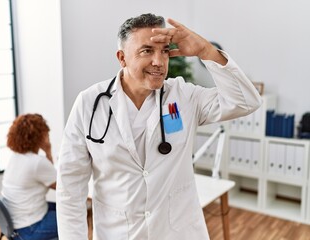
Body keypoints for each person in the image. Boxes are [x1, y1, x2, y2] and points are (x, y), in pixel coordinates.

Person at [56, 13, 262, 239]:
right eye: (147, 51)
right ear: (122, 57)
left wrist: (205, 51)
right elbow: (70, 189)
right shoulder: (89, 104)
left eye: (164, 51)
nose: (159, 61)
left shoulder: (183, 96)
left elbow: (247, 101)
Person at [1, 113, 58, 240]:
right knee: (76, 216)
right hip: (29, 228)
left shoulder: (15, 157)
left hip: (14, 223)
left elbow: (50, 176)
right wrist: (48, 150)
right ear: (40, 136)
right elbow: (60, 186)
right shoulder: (37, 162)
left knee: (64, 207)